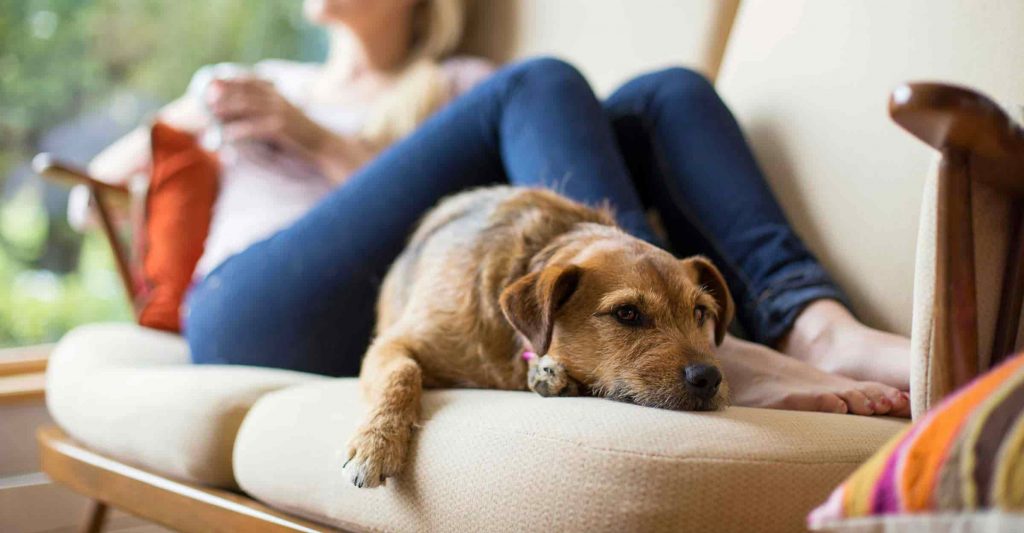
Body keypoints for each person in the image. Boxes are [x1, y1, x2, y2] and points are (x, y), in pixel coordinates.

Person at [90, 0, 911, 416]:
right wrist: (198, 134)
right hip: (250, 305)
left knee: (668, 93)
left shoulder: (457, 86)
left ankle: (811, 322)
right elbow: (101, 176)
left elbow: (473, 237)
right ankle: (723, 358)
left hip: (410, 300)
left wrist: (319, 141)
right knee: (543, 81)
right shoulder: (265, 78)